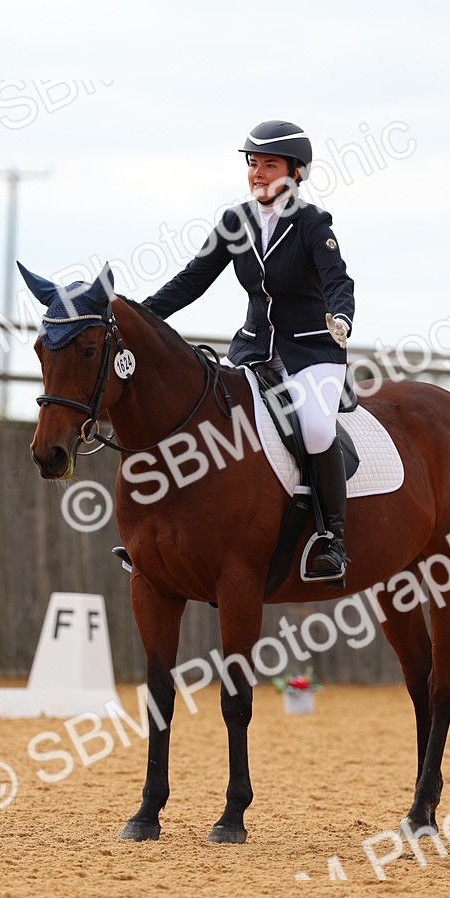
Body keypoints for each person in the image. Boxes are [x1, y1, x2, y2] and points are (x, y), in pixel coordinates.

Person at [142, 119, 355, 580]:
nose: (258, 173)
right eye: (253, 164)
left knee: (317, 429)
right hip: (252, 351)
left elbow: (338, 279)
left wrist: (341, 317)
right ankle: (165, 531)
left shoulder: (312, 224)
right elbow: (192, 281)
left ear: (296, 172)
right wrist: (142, 314)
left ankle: (332, 538)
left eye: (269, 165)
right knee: (201, 411)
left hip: (311, 351)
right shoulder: (234, 222)